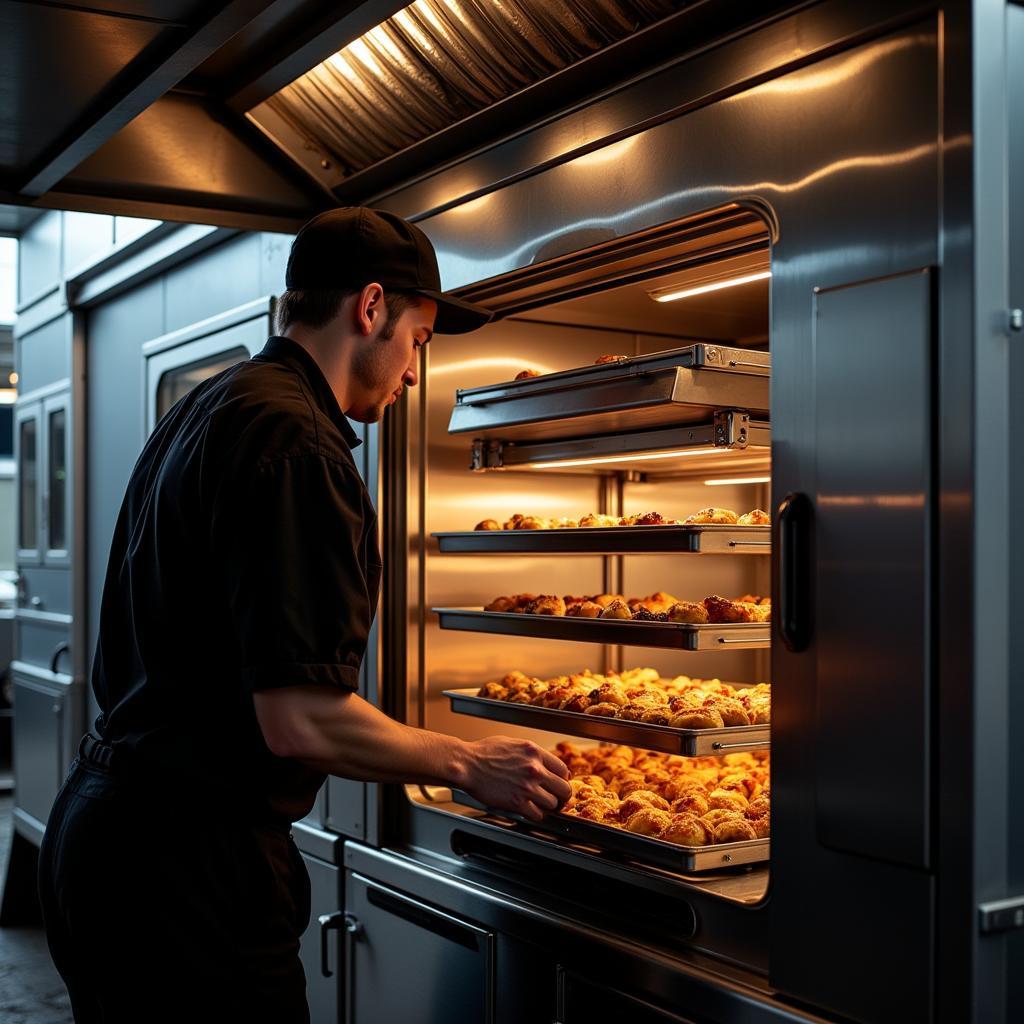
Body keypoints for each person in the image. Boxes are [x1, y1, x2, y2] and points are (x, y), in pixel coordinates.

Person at [37, 207, 572, 1023]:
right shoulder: (298, 447)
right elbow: (299, 719)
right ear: (369, 309)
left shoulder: (215, 406)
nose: (416, 373)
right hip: (187, 870)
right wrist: (468, 762)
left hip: (112, 836)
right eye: (419, 340)